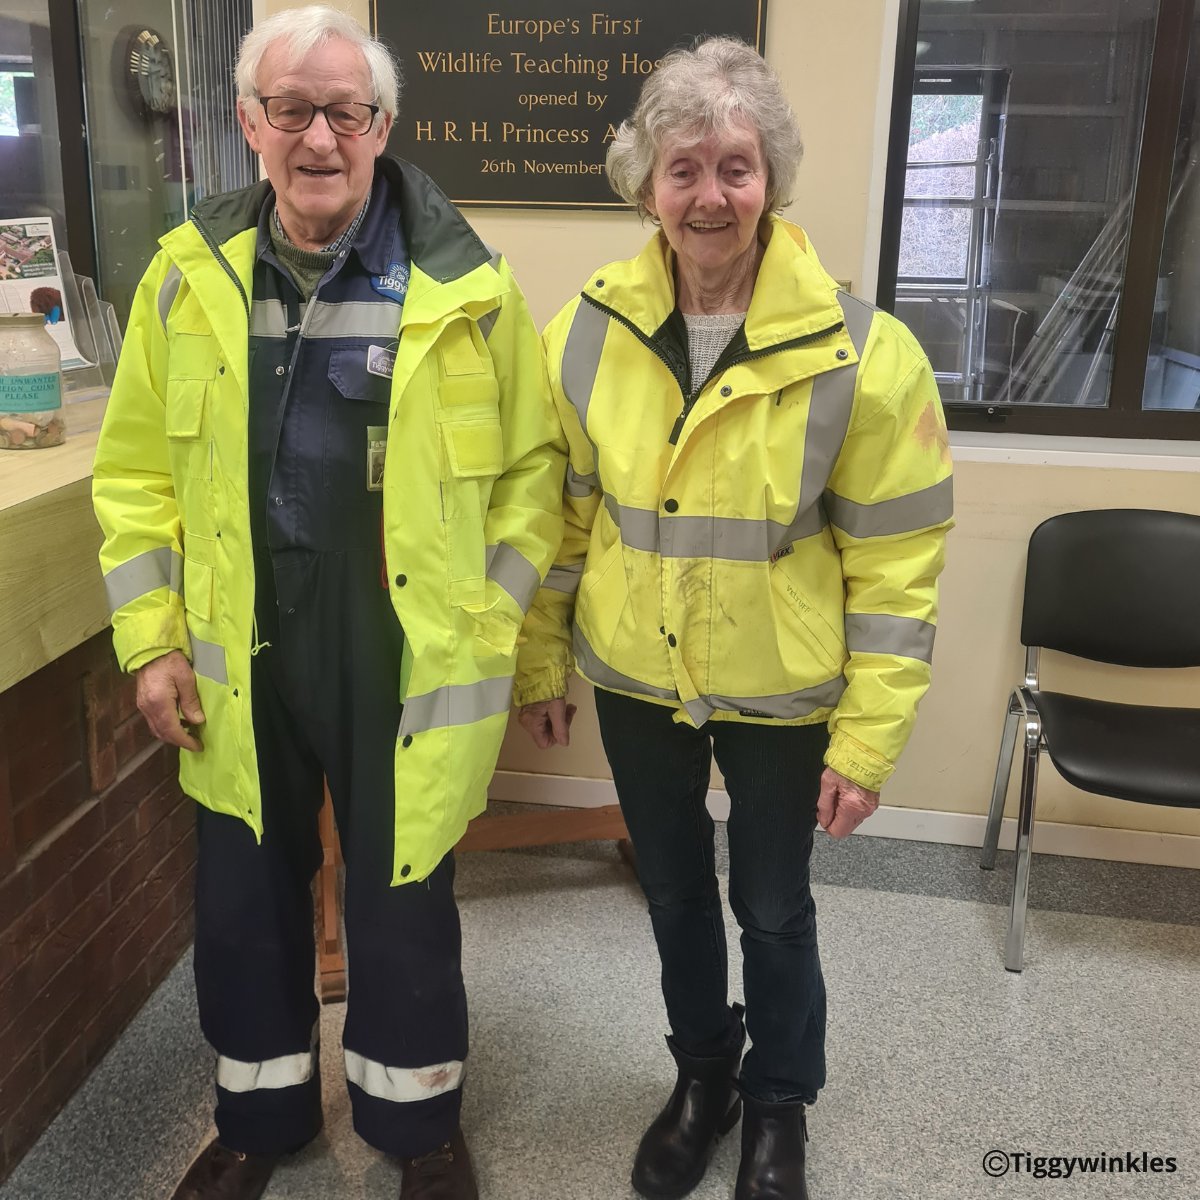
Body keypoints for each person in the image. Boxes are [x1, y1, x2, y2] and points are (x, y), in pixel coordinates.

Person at [93, 8, 562, 1199]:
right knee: (245, 894)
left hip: (404, 651)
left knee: (403, 900)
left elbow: (530, 477)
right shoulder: (182, 281)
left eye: (343, 111)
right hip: (241, 651)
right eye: (290, 109)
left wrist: (492, 629)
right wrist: (151, 645)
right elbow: (136, 475)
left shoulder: (467, 286)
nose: (318, 137)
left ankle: (418, 1133)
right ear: (249, 124)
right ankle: (259, 1123)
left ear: (383, 128)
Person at [515, 37, 952, 1200]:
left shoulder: (866, 351)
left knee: (773, 909)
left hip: (783, 687)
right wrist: (540, 659)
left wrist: (867, 741)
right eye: (684, 168)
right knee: (670, 895)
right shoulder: (585, 334)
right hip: (634, 676)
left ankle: (777, 1104)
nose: (711, 196)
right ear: (644, 182)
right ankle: (703, 1076)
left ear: (774, 178)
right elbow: (560, 518)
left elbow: (900, 566)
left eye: (737, 167)